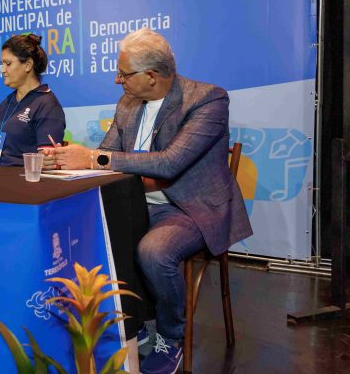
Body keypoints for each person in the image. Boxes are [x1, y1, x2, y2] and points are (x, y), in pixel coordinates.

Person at [42, 28, 252, 374]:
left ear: (151, 76)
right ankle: (133, 322)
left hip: (191, 206)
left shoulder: (207, 100)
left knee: (153, 251)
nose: (117, 80)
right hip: (137, 204)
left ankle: (171, 338)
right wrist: (68, 158)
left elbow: (169, 163)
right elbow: (107, 153)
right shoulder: (127, 103)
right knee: (90, 235)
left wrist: (93, 158)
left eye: (123, 74)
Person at [0, 34, 65, 166]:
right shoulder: (6, 103)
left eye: (8, 64)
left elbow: (47, 162)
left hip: (23, 177)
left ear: (28, 65)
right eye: (1, 64)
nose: (2, 70)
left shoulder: (48, 105)